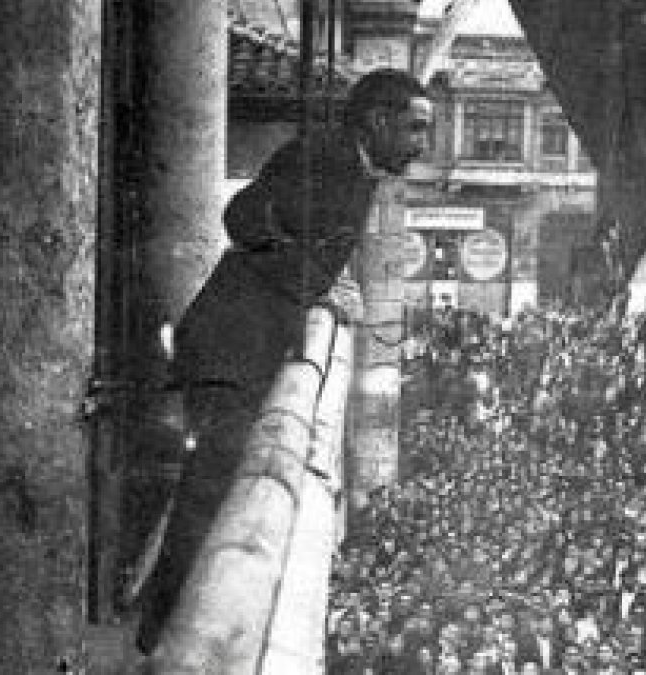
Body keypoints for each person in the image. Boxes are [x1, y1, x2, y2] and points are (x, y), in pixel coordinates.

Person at [135, 68, 433, 654]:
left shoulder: (358, 168)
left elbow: (300, 238)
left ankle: (165, 626)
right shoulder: (325, 157)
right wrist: (316, 283)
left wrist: (320, 279)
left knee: (213, 484)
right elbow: (242, 218)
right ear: (377, 121)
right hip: (230, 343)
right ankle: (162, 637)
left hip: (249, 342)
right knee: (212, 483)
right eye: (416, 128)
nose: (423, 144)